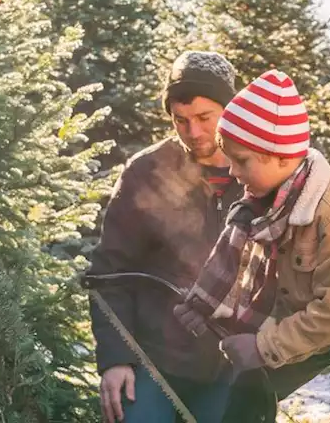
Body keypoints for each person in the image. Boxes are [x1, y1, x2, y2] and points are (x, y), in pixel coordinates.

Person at [175, 69, 330, 423]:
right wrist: (206, 307)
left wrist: (262, 345)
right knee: (250, 387)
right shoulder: (268, 200)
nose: (234, 173)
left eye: (242, 161)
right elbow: (243, 270)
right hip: (302, 310)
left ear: (282, 156)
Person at [85, 51, 247, 423]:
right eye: (181, 120)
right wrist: (115, 359)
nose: (194, 132)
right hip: (151, 363)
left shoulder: (261, 171)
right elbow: (109, 272)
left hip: (231, 368)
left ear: (230, 110)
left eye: (205, 118)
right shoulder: (147, 172)